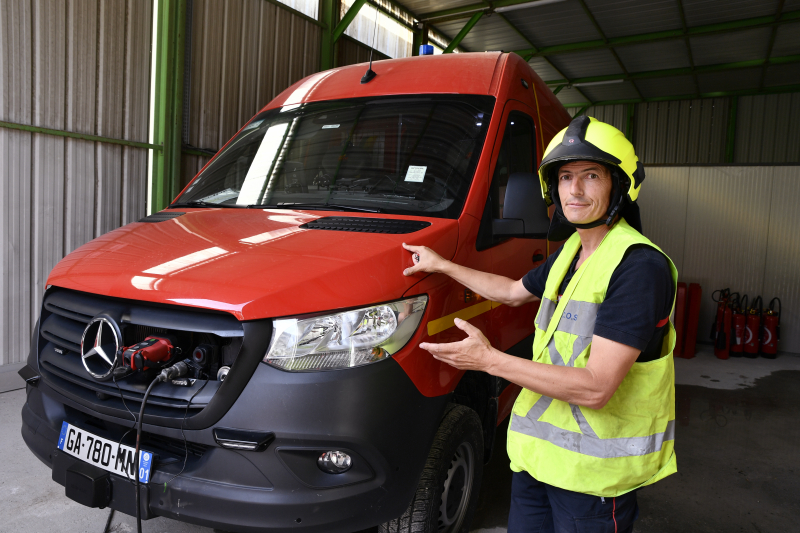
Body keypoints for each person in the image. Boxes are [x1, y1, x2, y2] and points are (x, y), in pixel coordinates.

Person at [402, 116, 677, 533]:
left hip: (592, 478)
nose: (575, 190)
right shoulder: (572, 251)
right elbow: (512, 291)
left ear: (620, 186)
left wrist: (488, 361)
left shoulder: (638, 267)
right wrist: (443, 265)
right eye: (565, 177)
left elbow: (596, 387)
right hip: (538, 461)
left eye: (591, 175)